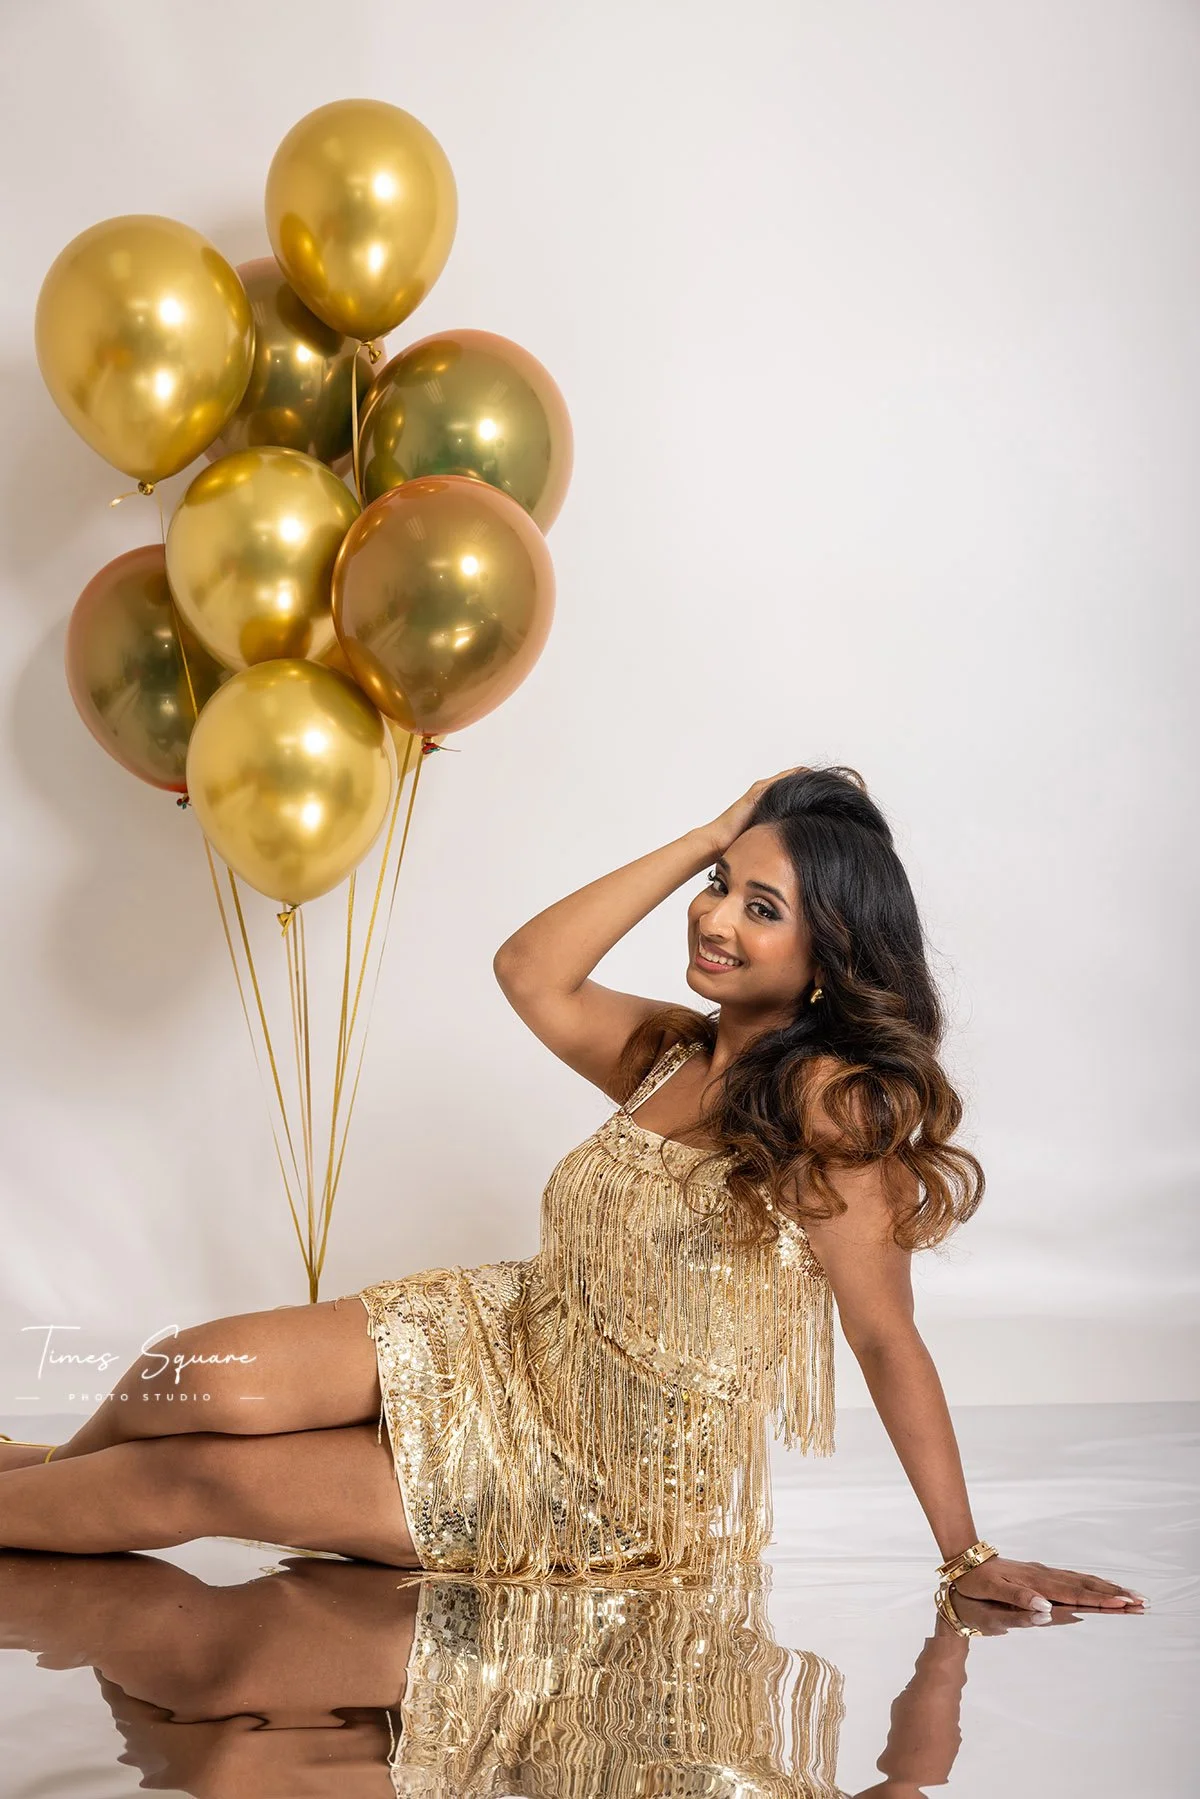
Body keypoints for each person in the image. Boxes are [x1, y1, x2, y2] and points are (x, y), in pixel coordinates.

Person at [0, 766, 1146, 1629]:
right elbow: (529, 968)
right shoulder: (669, 1049)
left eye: (762, 906)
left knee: (200, 1472)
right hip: (499, 1340)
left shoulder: (834, 1111)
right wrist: (710, 828)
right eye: (719, 886)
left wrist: (965, 1554)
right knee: (181, 1371)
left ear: (834, 950)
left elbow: (886, 1337)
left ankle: (40, 1491)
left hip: (592, 1474)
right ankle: (44, 1475)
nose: (714, 917)